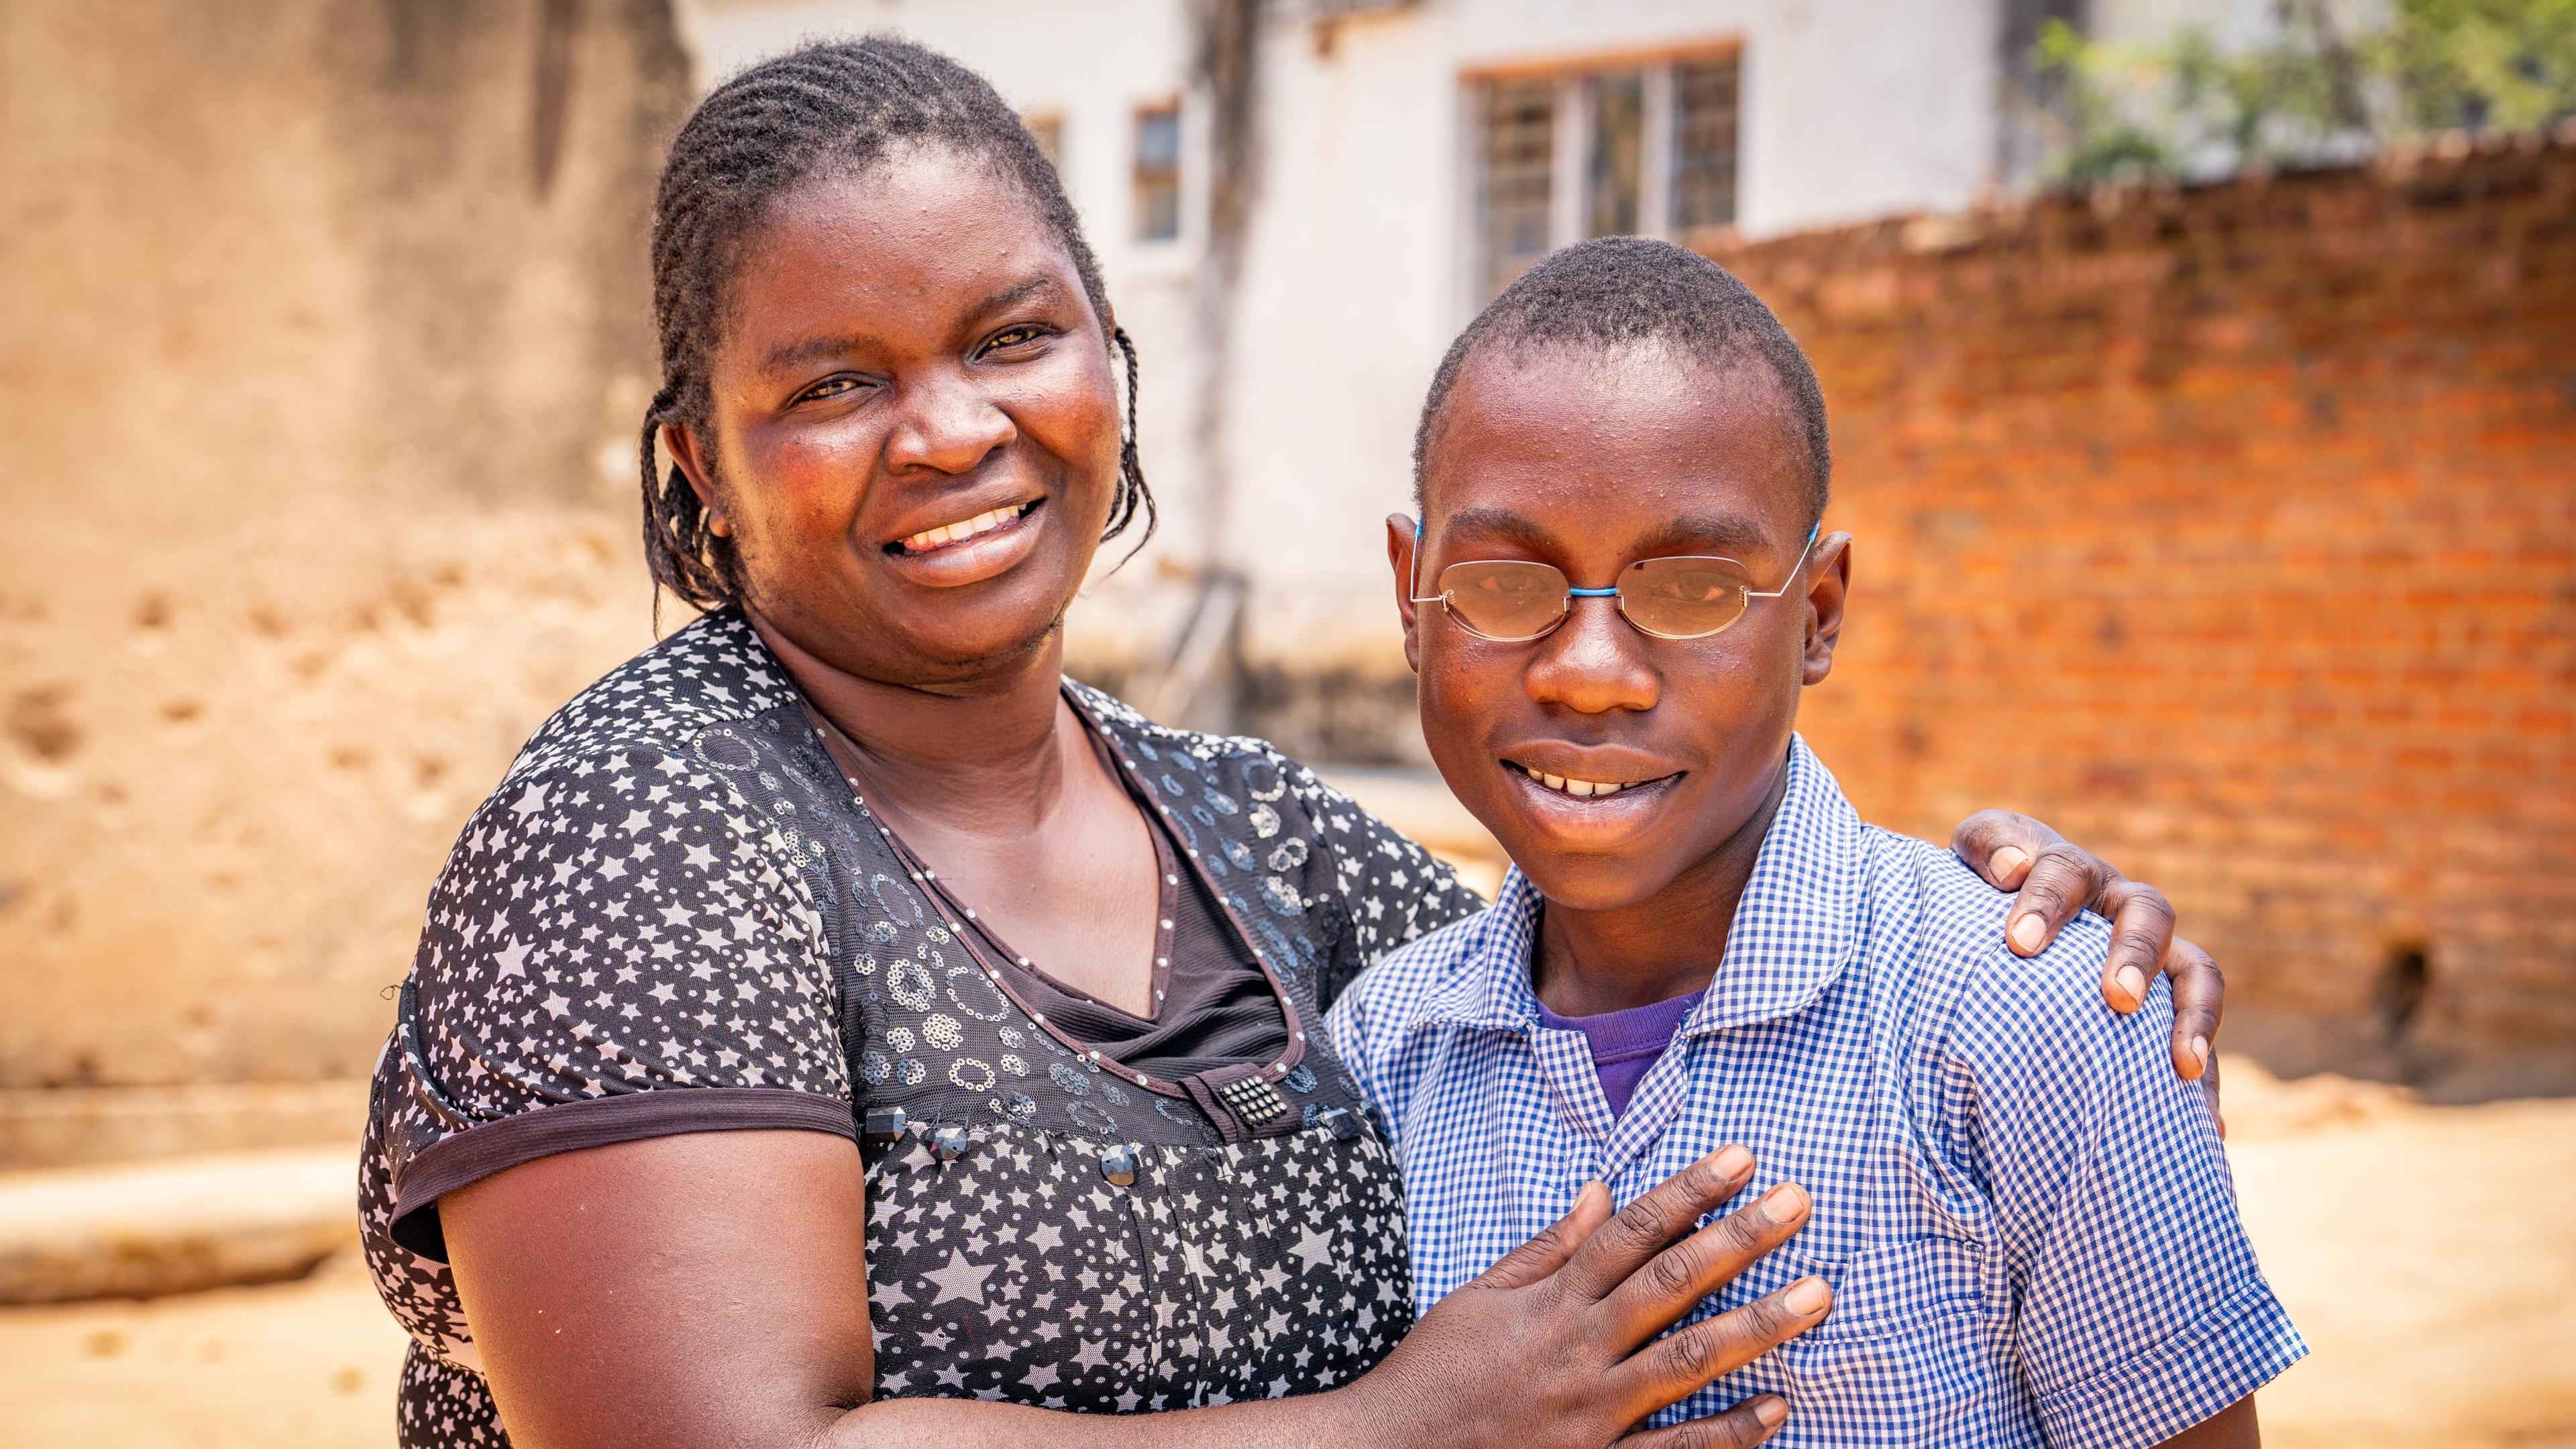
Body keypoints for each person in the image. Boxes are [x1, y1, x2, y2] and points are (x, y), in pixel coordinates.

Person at [357, 39, 2234, 1449]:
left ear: (1111, 355)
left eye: (1012, 336)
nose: (947, 432)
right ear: (705, 462)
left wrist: (2018, 911)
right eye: (835, 383)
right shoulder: (645, 835)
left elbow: (1619, 917)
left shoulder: (1266, 841)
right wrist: (1395, 1427)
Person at [1330, 237, 2308, 1448]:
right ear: (1411, 594)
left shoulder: (2032, 1019)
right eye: (1502, 584)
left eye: (1691, 592)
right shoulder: (1383, 1050)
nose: (1589, 676)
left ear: (1818, 617)